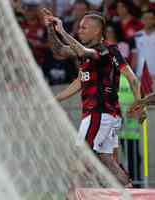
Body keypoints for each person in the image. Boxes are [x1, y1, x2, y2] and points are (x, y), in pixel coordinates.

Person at [41, 8, 145, 187]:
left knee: (83, 157)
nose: (79, 30)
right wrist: (51, 28)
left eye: (83, 27)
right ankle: (127, 190)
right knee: (105, 159)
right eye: (79, 27)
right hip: (100, 115)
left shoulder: (107, 51)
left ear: (97, 31)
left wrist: (140, 105)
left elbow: (133, 79)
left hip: (100, 113)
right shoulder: (86, 55)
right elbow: (60, 52)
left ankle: (75, 194)